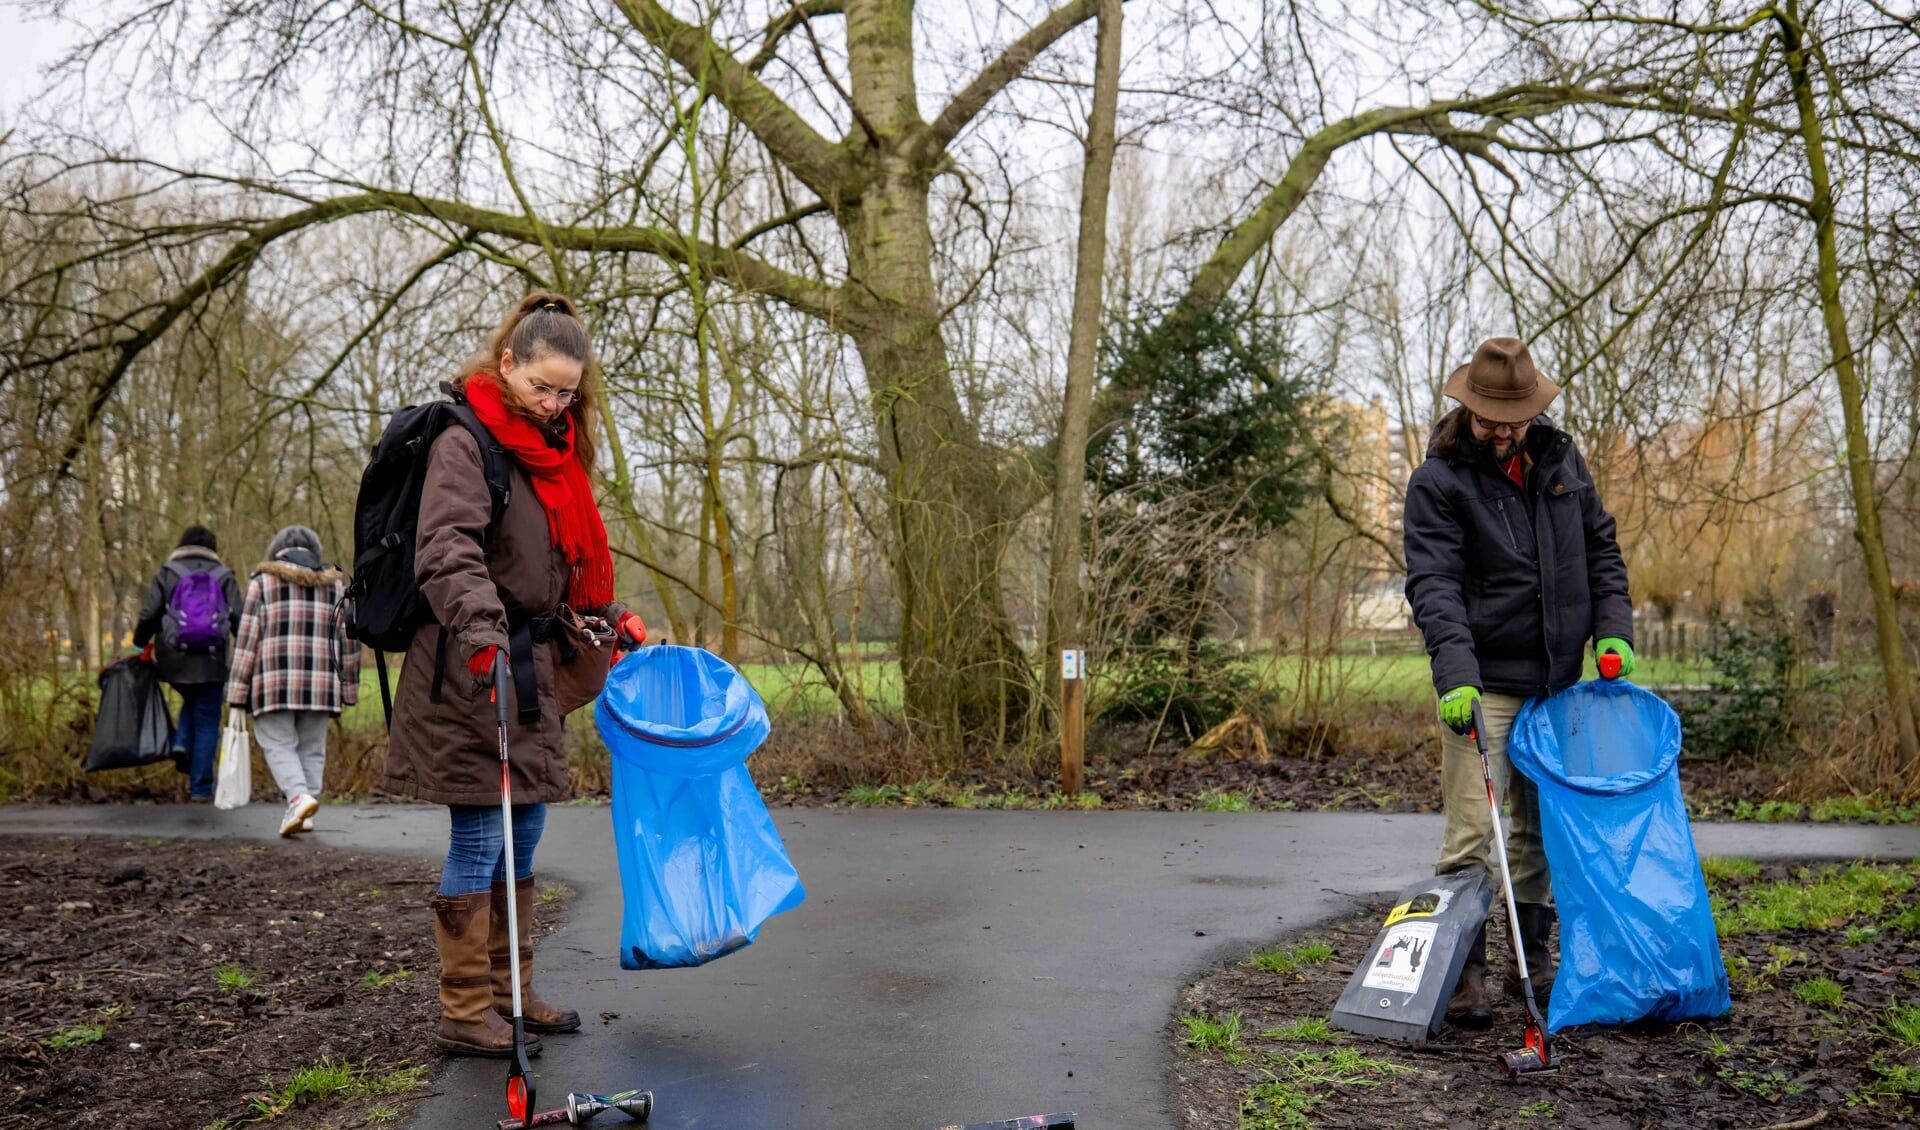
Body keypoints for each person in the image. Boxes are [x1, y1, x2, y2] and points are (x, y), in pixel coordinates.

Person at [383, 292, 646, 1058]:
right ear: (508, 364)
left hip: (531, 662)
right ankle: (466, 1009)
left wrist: (604, 614)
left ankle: (511, 991)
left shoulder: (552, 454)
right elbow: (447, 548)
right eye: (543, 387)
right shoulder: (465, 442)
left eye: (569, 390)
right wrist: (484, 635)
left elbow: (550, 567)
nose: (556, 402)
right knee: (480, 831)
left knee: (523, 827)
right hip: (470, 662)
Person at [1401, 336, 1633, 1028]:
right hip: (1485, 685)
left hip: (1555, 685)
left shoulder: (1561, 463)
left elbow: (1601, 549)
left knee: (1537, 836)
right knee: (1475, 834)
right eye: (1489, 416)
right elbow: (1434, 585)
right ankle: (1463, 973)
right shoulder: (1439, 481)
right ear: (1466, 407)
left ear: (1533, 410)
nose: (1502, 429)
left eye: (1514, 416)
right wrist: (1457, 677)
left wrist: (1612, 629)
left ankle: (1531, 961)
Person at [224, 526, 361, 836]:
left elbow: (247, 640)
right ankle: (304, 809)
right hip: (321, 684)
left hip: (274, 682)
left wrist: (236, 691)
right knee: (312, 748)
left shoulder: (262, 583)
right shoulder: (335, 587)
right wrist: (348, 688)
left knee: (277, 743)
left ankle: (299, 798)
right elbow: (350, 641)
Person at [134, 525, 242, 800]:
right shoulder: (224, 575)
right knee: (207, 718)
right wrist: (246, 646)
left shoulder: (167, 573)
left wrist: (140, 640)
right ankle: (201, 788)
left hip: (173, 658)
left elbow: (150, 612)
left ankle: (181, 743)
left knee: (192, 700)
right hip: (212, 660)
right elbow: (240, 617)